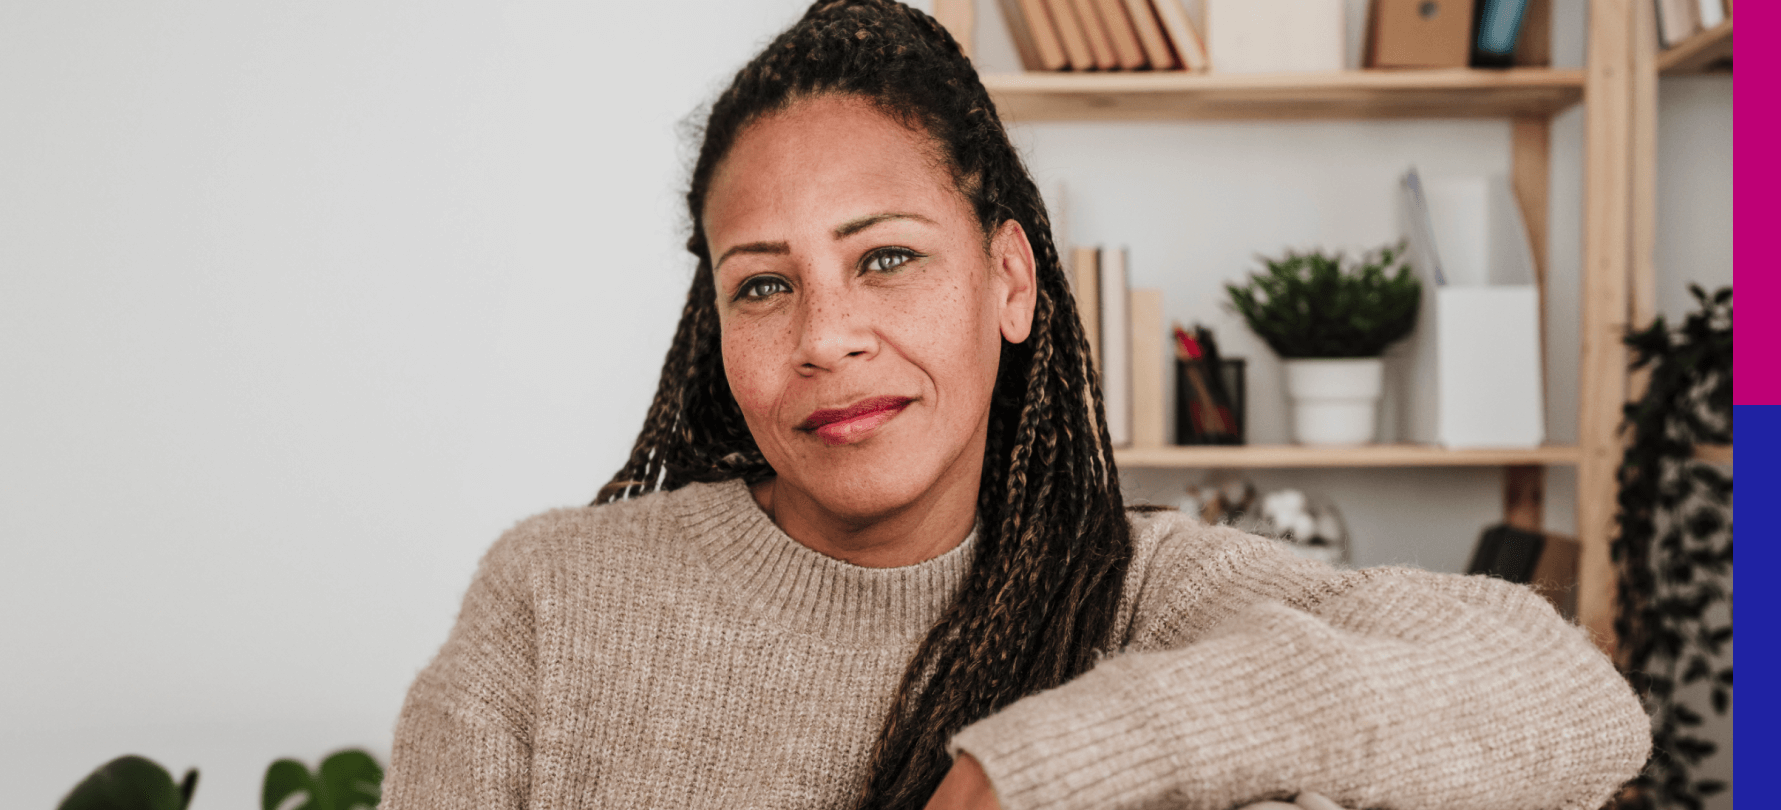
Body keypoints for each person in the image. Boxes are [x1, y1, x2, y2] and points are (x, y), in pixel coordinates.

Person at [375, 2, 1647, 808]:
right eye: (763, 287)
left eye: (885, 258)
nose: (827, 338)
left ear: (1011, 282)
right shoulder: (555, 595)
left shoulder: (1138, 592)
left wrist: (1037, 766)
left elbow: (1570, 703)